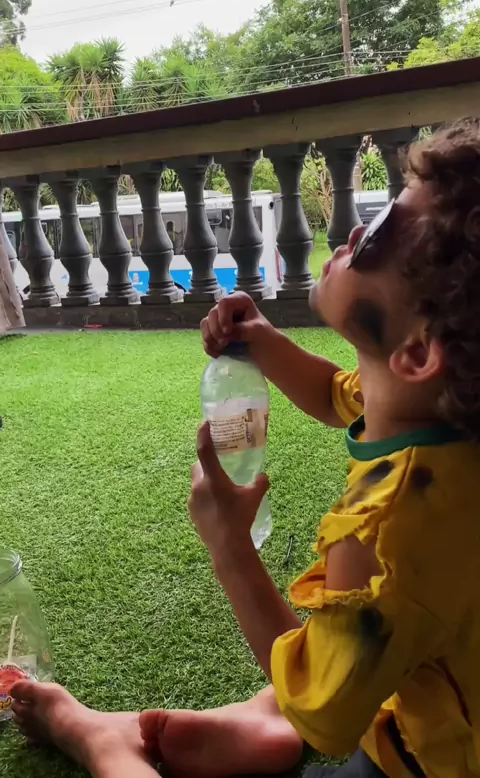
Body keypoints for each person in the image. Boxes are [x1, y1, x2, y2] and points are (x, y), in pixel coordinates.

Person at [10, 119, 480, 778]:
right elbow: (335, 394)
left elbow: (326, 715)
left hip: (432, 762)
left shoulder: (392, 527)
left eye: (378, 233)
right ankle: (259, 722)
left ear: (419, 351)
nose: (352, 232)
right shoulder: (443, 411)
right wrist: (263, 338)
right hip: (446, 689)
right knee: (349, 657)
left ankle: (101, 742)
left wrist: (229, 544)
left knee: (319, 674)